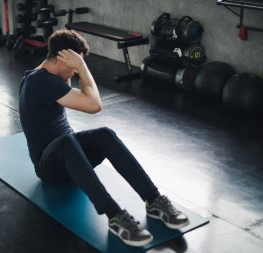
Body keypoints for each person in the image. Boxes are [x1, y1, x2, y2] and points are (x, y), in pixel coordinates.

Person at [19, 29, 189, 247]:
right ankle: (115, 217)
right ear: (64, 58)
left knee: (105, 134)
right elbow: (94, 105)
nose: (75, 73)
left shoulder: (45, 76)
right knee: (67, 142)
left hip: (72, 159)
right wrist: (82, 67)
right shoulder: (40, 82)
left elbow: (80, 96)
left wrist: (75, 66)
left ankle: (154, 199)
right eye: (76, 64)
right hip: (49, 167)